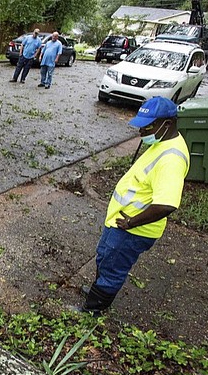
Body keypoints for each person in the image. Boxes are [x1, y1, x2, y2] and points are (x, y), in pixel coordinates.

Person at [80, 97, 189, 315]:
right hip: (121, 223)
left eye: (146, 127)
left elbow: (166, 205)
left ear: (166, 124)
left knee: (113, 267)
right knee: (105, 258)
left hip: (131, 229)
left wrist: (131, 222)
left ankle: (93, 309)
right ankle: (98, 291)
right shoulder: (162, 141)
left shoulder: (171, 159)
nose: (140, 132)